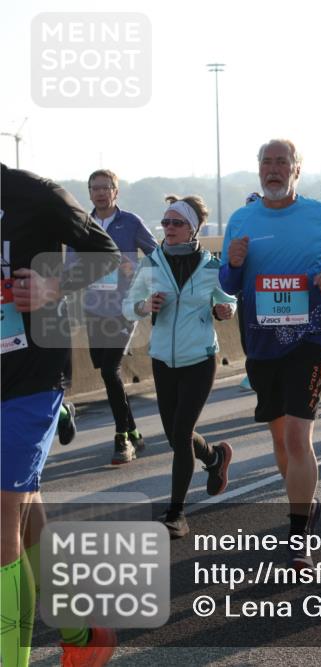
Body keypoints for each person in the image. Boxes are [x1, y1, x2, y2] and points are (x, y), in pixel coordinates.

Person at [2, 164, 121, 667]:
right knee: (25, 513)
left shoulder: (35, 195)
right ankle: (80, 632)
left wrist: (54, 288)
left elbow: (108, 256)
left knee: (2, 517)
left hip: (31, 376)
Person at [219, 139, 321, 569]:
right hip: (261, 342)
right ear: (258, 169)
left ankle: (298, 538)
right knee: (280, 441)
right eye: (266, 163)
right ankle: (305, 504)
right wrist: (235, 264)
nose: (273, 170)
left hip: (311, 336)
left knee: (298, 435)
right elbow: (227, 282)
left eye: (282, 162)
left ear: (297, 169)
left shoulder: (320, 214)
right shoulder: (242, 218)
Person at [122, 195, 237, 538]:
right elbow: (129, 306)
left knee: (182, 432)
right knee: (175, 437)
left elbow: (228, 298)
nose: (168, 228)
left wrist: (225, 310)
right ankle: (214, 457)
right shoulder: (152, 263)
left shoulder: (211, 266)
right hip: (162, 359)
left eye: (176, 223)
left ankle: (176, 513)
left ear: (192, 229)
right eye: (166, 222)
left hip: (200, 358)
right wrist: (145, 305)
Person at [76, 169, 157, 464]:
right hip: (94, 308)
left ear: (115, 192)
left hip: (125, 308)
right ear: (89, 192)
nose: (99, 192)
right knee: (108, 374)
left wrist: (133, 271)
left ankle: (122, 439)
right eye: (94, 188)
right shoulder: (82, 224)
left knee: (111, 370)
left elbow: (156, 255)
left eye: (105, 187)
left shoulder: (131, 222)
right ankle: (134, 431)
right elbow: (72, 262)